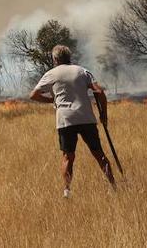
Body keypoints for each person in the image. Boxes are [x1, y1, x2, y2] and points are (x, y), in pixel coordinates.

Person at [29, 45, 116, 198]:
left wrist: (52, 100)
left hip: (65, 119)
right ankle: (114, 186)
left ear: (55, 59)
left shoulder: (50, 74)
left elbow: (34, 95)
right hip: (86, 117)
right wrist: (104, 115)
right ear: (69, 57)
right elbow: (100, 92)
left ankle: (67, 191)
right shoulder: (82, 71)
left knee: (68, 156)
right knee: (98, 153)